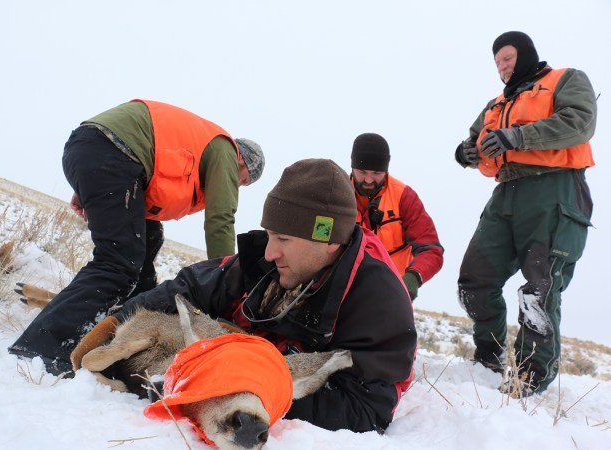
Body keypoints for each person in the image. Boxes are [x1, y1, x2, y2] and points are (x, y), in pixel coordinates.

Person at [71, 159, 417, 433]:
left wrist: (246, 384)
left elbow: (366, 410)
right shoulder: (263, 265)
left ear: (327, 239)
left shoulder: (380, 303)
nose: (269, 253)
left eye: (283, 239)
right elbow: (191, 284)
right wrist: (118, 321)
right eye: (270, 236)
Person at [8, 99, 265, 374]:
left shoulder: (203, 148)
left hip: (96, 152)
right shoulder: (226, 151)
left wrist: (89, 184)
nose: (237, 185)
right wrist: (222, 278)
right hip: (115, 154)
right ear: (242, 161)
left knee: (148, 243)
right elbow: (220, 219)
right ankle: (38, 348)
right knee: (117, 263)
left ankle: (127, 328)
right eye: (243, 180)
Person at [455, 31, 596, 396]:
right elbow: (473, 140)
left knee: (539, 288)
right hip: (506, 193)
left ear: (527, 54)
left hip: (554, 189)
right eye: (498, 62)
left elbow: (580, 121)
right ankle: (490, 355)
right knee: (474, 281)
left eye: (508, 57)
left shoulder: (564, 79)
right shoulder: (495, 104)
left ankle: (529, 376)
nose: (502, 66)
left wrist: (519, 137)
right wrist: (465, 153)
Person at [350, 133, 444, 301]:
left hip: (390, 292)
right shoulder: (334, 194)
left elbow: (431, 250)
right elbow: (319, 238)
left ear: (386, 170)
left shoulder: (404, 197)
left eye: (377, 172)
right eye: (362, 171)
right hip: (343, 288)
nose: (369, 179)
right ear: (352, 167)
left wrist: (413, 278)